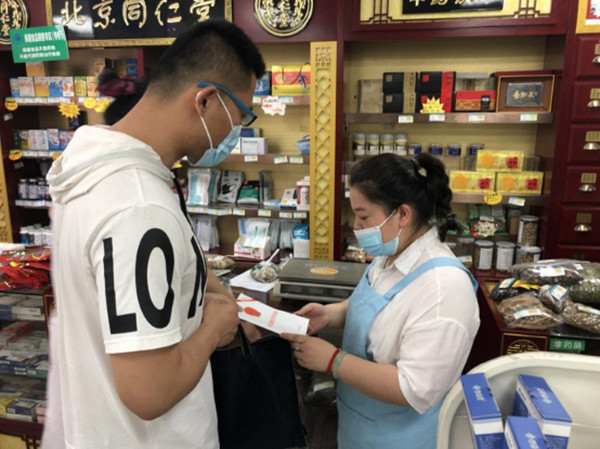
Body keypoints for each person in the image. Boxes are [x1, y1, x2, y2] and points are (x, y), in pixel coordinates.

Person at [43, 20, 265, 449]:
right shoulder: (139, 207)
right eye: (240, 115)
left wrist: (207, 288)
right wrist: (214, 328)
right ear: (205, 101)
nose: (236, 134)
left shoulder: (87, 170)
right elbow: (150, 392)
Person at [282, 153, 480, 449]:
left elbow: (413, 388)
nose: (356, 226)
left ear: (403, 215)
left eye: (363, 216)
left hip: (401, 438)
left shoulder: (444, 291)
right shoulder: (391, 255)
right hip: (358, 425)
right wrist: (329, 314)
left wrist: (333, 361)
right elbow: (373, 305)